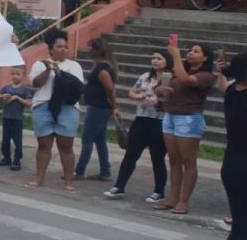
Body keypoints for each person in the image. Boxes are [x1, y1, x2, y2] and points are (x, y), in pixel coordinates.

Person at [154, 38, 215, 215]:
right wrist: (162, 91)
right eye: (190, 50)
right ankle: (172, 198)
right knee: (173, 159)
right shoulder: (179, 71)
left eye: (196, 51)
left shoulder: (206, 76)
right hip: (171, 115)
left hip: (188, 119)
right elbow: (164, 87)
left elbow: (186, 80)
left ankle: (183, 201)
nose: (190, 52)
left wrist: (175, 55)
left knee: (188, 161)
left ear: (205, 58)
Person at [105, 50, 170, 203]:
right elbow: (132, 92)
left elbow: (172, 99)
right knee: (130, 155)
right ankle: (119, 186)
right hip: (142, 119)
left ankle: (159, 191)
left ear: (167, 61)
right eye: (153, 58)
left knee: (157, 158)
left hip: (160, 121)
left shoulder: (170, 78)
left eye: (159, 58)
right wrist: (140, 96)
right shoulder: (146, 77)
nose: (155, 61)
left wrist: (158, 101)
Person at [26, 28, 85, 192]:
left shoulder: (74, 65)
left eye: (65, 47)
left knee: (66, 146)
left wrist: (59, 73)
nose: (63, 50)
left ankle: (68, 181)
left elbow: (77, 86)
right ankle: (39, 178)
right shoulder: (40, 63)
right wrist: (48, 70)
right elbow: (35, 84)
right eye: (59, 47)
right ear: (51, 48)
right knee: (44, 145)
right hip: (43, 105)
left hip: (66, 108)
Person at [216, 51, 247, 240]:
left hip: (231, 164)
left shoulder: (232, 91)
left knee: (240, 225)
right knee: (242, 227)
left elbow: (224, 82)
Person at [75, 38, 119, 180]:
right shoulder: (103, 66)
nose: (88, 51)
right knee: (100, 140)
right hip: (99, 106)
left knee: (87, 138)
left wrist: (114, 106)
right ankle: (105, 170)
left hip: (98, 107)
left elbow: (110, 88)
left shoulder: (102, 68)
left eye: (91, 48)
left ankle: (80, 170)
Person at [0, 65, 32, 171]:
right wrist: (3, 96)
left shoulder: (24, 90)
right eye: (13, 74)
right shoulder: (7, 88)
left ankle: (17, 160)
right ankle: (6, 158)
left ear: (23, 76)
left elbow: (29, 103)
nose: (15, 76)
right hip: (6, 117)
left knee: (17, 140)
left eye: (18, 74)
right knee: (5, 140)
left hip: (17, 119)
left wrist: (17, 98)